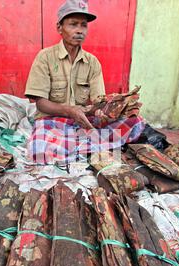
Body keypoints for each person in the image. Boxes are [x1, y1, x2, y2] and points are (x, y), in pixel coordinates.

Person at [25, 0, 145, 164]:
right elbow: (41, 104)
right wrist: (70, 111)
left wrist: (109, 108)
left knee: (135, 122)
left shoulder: (92, 62)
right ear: (59, 28)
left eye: (83, 25)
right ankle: (90, 146)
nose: (79, 30)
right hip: (52, 119)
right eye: (73, 24)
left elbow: (99, 101)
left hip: (82, 119)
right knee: (39, 149)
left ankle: (75, 146)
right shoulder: (45, 57)